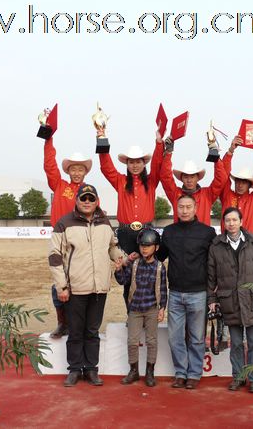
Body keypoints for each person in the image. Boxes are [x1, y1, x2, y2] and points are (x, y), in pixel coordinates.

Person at [49, 184, 120, 387]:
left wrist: (120, 257)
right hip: (75, 287)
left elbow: (111, 247)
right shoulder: (64, 223)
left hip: (99, 288)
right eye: (83, 198)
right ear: (77, 200)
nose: (87, 202)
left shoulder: (105, 223)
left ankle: (91, 369)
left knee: (92, 331)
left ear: (96, 201)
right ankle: (74, 369)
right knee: (76, 331)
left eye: (91, 198)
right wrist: (61, 286)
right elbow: (54, 256)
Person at [207, 207, 253, 393]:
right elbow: (211, 276)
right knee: (235, 343)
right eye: (227, 220)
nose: (231, 223)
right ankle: (238, 376)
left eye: (234, 220)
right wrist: (212, 298)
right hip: (230, 302)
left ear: (241, 221)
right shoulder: (216, 246)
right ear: (224, 223)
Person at [99, 134, 164, 311]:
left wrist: (159, 143)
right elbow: (106, 168)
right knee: (128, 274)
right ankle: (131, 315)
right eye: (131, 162)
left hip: (147, 233)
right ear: (127, 164)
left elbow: (158, 164)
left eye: (138, 162)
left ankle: (149, 314)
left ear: (144, 164)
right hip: (126, 235)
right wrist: (101, 139)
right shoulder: (120, 181)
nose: (135, 165)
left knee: (149, 273)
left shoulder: (151, 181)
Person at [158, 194, 216, 389]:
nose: (184, 210)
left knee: (197, 337)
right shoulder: (168, 232)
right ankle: (181, 372)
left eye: (188, 207)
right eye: (180, 207)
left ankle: (194, 374)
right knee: (175, 338)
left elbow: (214, 261)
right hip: (174, 293)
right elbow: (159, 256)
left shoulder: (207, 233)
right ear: (176, 208)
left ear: (195, 208)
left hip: (198, 293)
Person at [44, 132, 93, 339]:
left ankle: (79, 324)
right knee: (59, 282)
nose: (76, 172)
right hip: (60, 239)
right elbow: (49, 166)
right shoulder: (59, 185)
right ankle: (62, 322)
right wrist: (48, 139)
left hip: (81, 241)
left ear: (85, 172)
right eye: (73, 169)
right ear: (68, 171)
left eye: (80, 169)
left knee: (80, 282)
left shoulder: (89, 193)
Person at [115, 228, 167, 387]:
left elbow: (163, 289)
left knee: (152, 341)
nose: (144, 248)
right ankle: (134, 371)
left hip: (151, 309)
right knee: (132, 341)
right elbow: (123, 281)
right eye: (142, 245)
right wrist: (119, 269)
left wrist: (162, 308)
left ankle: (150, 372)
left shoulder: (160, 267)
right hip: (135, 310)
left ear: (156, 247)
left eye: (148, 245)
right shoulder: (134, 264)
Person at [160, 150, 227, 225]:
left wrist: (215, 157)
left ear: (198, 178)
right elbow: (165, 177)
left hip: (203, 236)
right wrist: (168, 153)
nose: (189, 180)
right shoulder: (175, 193)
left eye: (192, 177)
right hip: (180, 235)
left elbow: (221, 179)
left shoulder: (207, 194)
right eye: (186, 177)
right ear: (181, 178)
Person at [220, 136, 253, 234]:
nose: (240, 185)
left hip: (250, 246)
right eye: (238, 181)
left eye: (244, 182)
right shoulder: (227, 195)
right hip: (227, 244)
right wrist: (231, 151)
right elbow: (223, 175)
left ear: (250, 185)